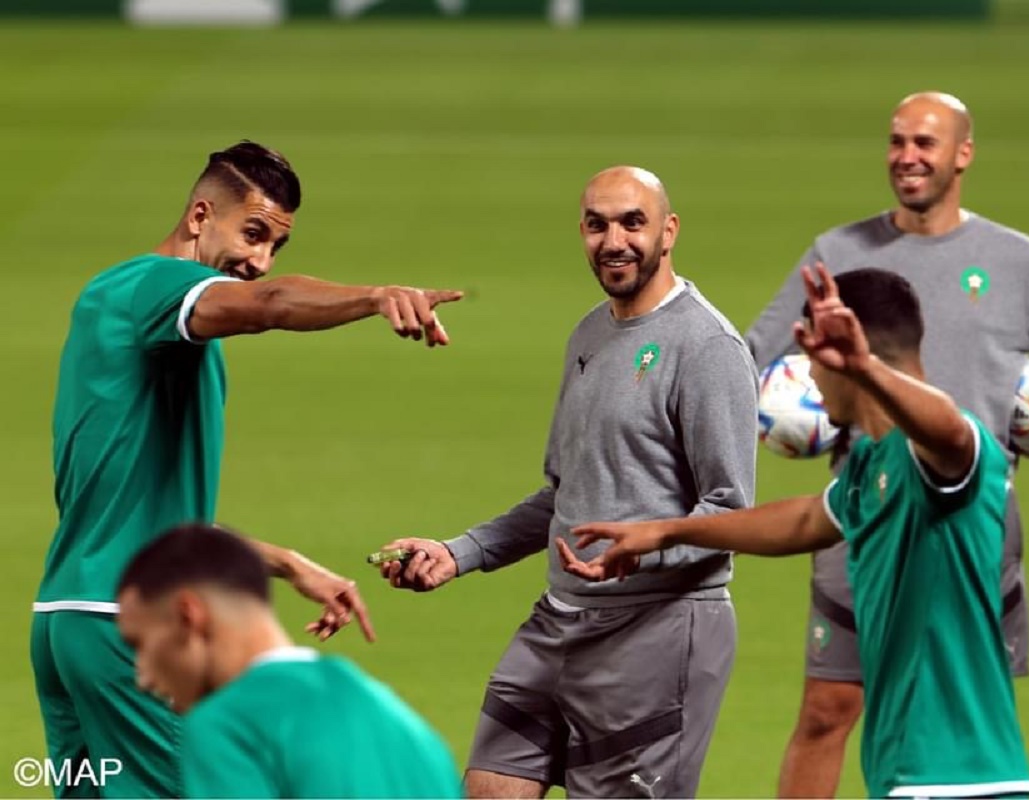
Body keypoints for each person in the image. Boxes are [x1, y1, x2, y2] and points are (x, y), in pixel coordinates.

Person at [32, 140, 464, 798]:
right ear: (200, 215)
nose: (259, 262)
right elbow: (271, 305)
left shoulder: (112, 300)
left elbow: (148, 514)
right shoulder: (157, 288)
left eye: (275, 247)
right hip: (133, 629)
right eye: (253, 234)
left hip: (65, 622)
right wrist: (376, 296)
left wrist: (286, 563)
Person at [744, 92, 1029, 797]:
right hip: (865, 509)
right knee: (827, 708)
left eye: (925, 143)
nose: (907, 157)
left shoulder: (1017, 261)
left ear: (963, 154)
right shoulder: (838, 253)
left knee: (967, 700)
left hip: (973, 523)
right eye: (897, 141)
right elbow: (749, 356)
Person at [561, 265, 1029, 799]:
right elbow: (804, 520)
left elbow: (951, 432)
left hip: (955, 778)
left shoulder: (944, 456)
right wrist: (667, 531)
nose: (809, 374)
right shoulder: (870, 464)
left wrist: (863, 367)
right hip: (917, 779)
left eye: (813, 354)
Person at [377, 165, 759, 799]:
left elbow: (731, 515)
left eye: (633, 223)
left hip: (656, 632)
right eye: (597, 225)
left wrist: (637, 549)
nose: (614, 241)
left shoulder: (707, 347)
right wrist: (459, 553)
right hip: (559, 622)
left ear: (668, 231)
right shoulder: (589, 333)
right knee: (487, 788)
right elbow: (566, 495)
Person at [116, 523, 463, 799]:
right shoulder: (408, 729)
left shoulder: (227, 727)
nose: (142, 677)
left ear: (188, 616)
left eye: (140, 644)